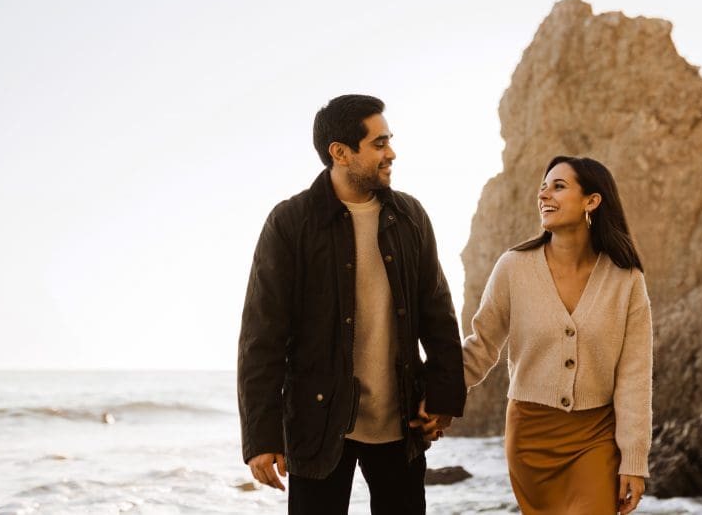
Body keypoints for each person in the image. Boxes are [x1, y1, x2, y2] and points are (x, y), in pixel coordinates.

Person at [237, 94, 466, 515]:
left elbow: (438, 313)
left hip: (399, 424)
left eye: (389, 141)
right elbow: (261, 336)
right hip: (317, 425)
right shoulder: (291, 222)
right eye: (378, 144)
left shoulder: (410, 216)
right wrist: (261, 439)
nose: (391, 152)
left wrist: (442, 399)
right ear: (340, 153)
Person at [462, 155, 653, 515]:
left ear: (591, 201)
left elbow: (634, 377)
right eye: (543, 187)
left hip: (596, 435)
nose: (544, 195)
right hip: (531, 436)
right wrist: (438, 397)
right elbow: (482, 346)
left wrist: (633, 460)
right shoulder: (513, 267)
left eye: (559, 186)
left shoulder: (626, 280)